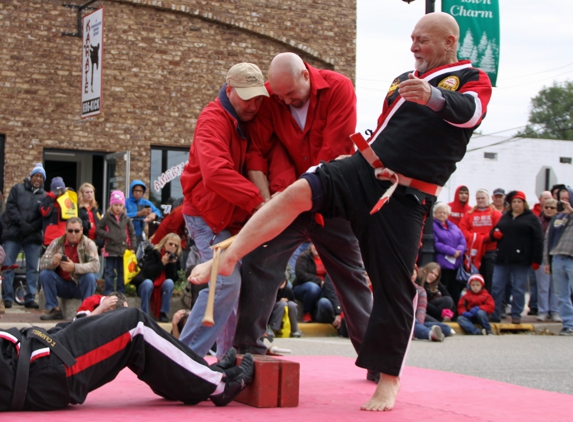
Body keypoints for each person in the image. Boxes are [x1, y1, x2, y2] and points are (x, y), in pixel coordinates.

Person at [189, 12, 492, 411]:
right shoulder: (398, 79)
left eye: (422, 39)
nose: (414, 46)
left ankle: (385, 376)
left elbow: (470, 112)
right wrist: (292, 186)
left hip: (403, 192)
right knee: (292, 199)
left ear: (450, 42)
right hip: (363, 168)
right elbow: (270, 149)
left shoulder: (471, 77)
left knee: (385, 282)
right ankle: (230, 263)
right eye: (412, 38)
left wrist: (433, 97)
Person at [236, 51, 373, 375]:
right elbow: (258, 150)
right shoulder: (274, 96)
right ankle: (247, 350)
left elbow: (335, 150)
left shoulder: (339, 88)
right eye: (279, 96)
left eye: (291, 95)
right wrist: (266, 202)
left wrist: (295, 193)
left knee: (350, 277)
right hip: (288, 199)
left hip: (335, 198)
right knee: (260, 261)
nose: (284, 102)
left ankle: (375, 359)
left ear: (306, 76)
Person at [178, 62, 267, 361]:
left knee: (237, 284)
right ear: (229, 90)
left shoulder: (246, 118)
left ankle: (230, 357)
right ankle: (183, 358)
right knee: (226, 281)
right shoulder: (212, 119)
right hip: (207, 216)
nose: (254, 105)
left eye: (258, 97)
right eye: (247, 97)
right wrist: (258, 201)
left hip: (229, 217)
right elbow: (215, 174)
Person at [0, 307, 254, 411]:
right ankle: (217, 385)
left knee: (123, 322)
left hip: (37, 350)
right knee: (134, 325)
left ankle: (196, 375)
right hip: (41, 368)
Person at [489, 191, 543, 324]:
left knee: (518, 288)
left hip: (522, 260)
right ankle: (495, 313)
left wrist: (536, 260)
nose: (516, 204)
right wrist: (494, 234)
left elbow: (538, 240)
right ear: (510, 204)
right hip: (503, 259)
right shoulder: (505, 216)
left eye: (519, 202)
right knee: (496, 286)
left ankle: (516, 314)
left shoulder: (531, 218)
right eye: (514, 202)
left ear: (524, 203)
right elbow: (494, 231)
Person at [1, 163, 46, 309]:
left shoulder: (45, 196)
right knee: (7, 265)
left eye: (41, 176)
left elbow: (44, 215)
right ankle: (7, 297)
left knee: (33, 268)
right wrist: (22, 223)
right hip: (13, 233)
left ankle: (30, 297)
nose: (38, 178)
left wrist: (32, 227)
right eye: (36, 175)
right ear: (31, 176)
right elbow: (11, 207)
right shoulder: (17, 189)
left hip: (32, 236)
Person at [39, 217, 100, 320]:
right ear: (65, 230)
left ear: (82, 230)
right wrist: (52, 262)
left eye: (76, 231)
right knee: (45, 274)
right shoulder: (56, 243)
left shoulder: (89, 244)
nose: (73, 234)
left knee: (90, 277)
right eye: (70, 230)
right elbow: (42, 264)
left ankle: (87, 310)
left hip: (80, 285)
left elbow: (96, 266)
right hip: (62, 284)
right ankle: (54, 309)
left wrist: (74, 267)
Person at [459, 189, 502, 294]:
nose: (480, 200)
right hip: (474, 253)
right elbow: (463, 229)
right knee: (475, 279)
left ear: (488, 198)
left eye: (483, 198)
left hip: (491, 251)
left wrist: (484, 238)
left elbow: (498, 230)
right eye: (478, 198)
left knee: (490, 279)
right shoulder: (469, 214)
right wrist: (478, 238)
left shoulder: (496, 214)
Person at [543, 186, 573, 335]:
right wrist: (547, 261)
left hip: (571, 258)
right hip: (557, 257)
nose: (565, 202)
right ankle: (568, 324)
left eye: (568, 199)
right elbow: (548, 239)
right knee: (561, 294)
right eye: (562, 199)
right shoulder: (557, 218)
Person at [131, 232, 180, 322]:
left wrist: (172, 265)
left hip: (162, 287)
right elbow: (147, 274)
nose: (173, 246)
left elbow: (173, 278)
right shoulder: (153, 253)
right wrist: (162, 263)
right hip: (146, 285)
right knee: (148, 283)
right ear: (164, 243)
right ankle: (144, 314)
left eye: (175, 245)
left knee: (169, 283)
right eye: (170, 244)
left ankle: (163, 313)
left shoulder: (175, 258)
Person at [96, 190, 136, 294]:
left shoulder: (127, 219)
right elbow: (98, 229)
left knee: (121, 272)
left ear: (123, 206)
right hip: (110, 249)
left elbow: (132, 234)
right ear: (111, 205)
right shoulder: (107, 218)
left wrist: (133, 248)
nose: (118, 207)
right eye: (115, 205)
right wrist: (108, 236)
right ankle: (109, 292)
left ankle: (120, 292)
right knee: (109, 272)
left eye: (120, 205)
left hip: (123, 249)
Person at [433, 202, 466, 307]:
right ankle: (445, 310)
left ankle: (455, 311)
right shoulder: (432, 226)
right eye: (439, 212)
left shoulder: (453, 226)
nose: (442, 215)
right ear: (435, 214)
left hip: (456, 263)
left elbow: (462, 240)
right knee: (444, 288)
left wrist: (459, 251)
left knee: (455, 289)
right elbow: (436, 243)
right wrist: (452, 252)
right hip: (443, 263)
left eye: (444, 212)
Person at [411, 266, 453, 341]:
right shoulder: (400, 288)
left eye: (435, 275)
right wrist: (440, 312)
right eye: (431, 273)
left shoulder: (420, 290)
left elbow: (421, 310)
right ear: (425, 271)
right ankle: (430, 334)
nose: (433, 276)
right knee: (412, 321)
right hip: (406, 317)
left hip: (419, 316)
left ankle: (421, 330)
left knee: (446, 328)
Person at [536, 198, 560, 322]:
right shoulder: (538, 222)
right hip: (542, 258)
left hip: (556, 258)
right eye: (547, 207)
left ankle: (555, 311)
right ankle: (543, 311)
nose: (549, 210)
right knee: (543, 286)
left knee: (556, 287)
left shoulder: (561, 222)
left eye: (552, 207)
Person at [125, 180, 163, 244]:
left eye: (140, 191)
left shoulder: (146, 202)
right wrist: (139, 213)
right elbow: (120, 215)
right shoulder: (125, 202)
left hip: (140, 235)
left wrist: (154, 214)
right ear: (131, 191)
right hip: (126, 236)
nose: (138, 193)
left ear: (143, 192)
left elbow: (158, 212)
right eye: (136, 190)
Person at [40, 177, 70, 247]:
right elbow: (44, 212)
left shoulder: (67, 200)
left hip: (65, 238)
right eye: (56, 190)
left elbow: (74, 215)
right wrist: (52, 196)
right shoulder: (47, 199)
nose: (59, 192)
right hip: (50, 239)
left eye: (61, 190)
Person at [78, 182, 103, 249]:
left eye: (91, 192)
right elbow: (75, 223)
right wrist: (87, 225)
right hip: (83, 241)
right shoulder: (78, 208)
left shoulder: (96, 208)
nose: (90, 194)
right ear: (82, 194)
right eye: (87, 192)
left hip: (96, 242)